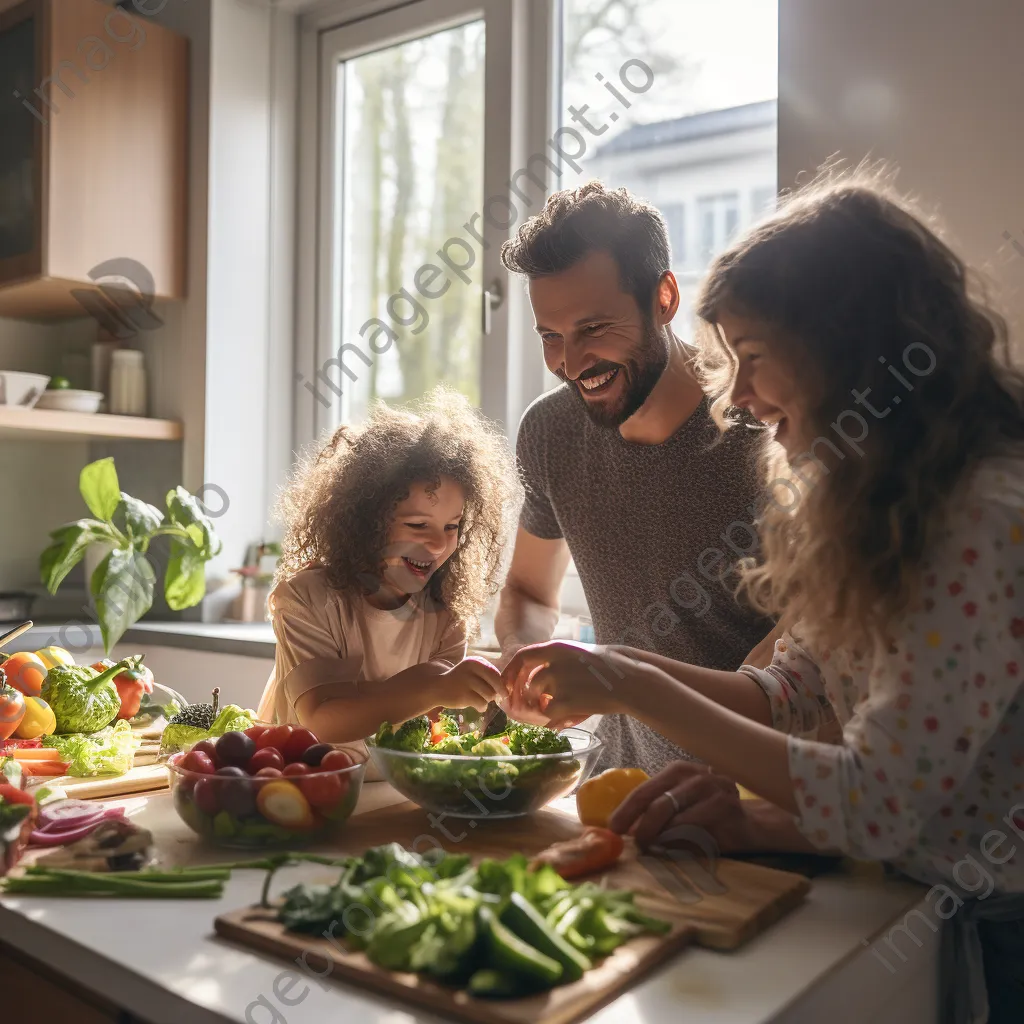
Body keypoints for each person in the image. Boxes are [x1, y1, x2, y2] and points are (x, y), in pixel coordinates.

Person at [503, 170, 1024, 1022]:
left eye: (749, 358)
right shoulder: (870, 499)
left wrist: (631, 683)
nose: (735, 394)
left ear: (844, 346)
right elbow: (788, 691)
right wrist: (616, 664)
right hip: (908, 899)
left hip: (1002, 923)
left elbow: (877, 801)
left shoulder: (981, 520)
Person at [495, 181, 777, 776]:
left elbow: (799, 651)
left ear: (665, 297)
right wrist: (528, 664)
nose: (571, 364)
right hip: (624, 794)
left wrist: (619, 678)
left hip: (764, 800)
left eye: (594, 328)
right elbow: (528, 593)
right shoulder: (550, 434)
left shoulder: (767, 419)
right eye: (551, 336)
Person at [258, 388, 521, 768]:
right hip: (298, 785)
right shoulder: (308, 598)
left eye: (453, 525)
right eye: (417, 524)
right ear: (366, 523)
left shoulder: (446, 614)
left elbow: (435, 727)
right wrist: (435, 685)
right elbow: (324, 719)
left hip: (396, 792)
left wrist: (486, 695)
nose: (438, 543)